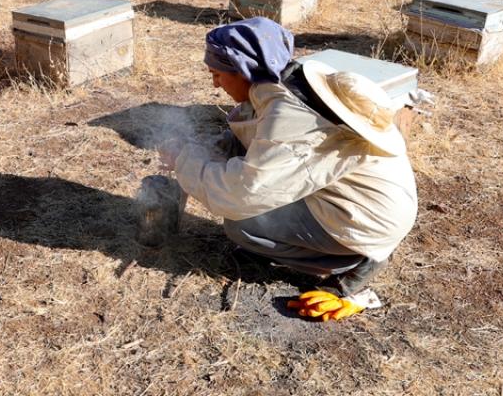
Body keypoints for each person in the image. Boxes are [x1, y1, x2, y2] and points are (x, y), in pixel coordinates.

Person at [158, 17, 417, 322]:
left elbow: (240, 194)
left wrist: (186, 160)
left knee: (242, 225)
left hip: (367, 219)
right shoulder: (287, 82)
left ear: (242, 70)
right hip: (369, 203)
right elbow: (252, 138)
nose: (215, 84)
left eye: (217, 74)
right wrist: (200, 149)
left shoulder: (293, 119)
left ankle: (352, 262)